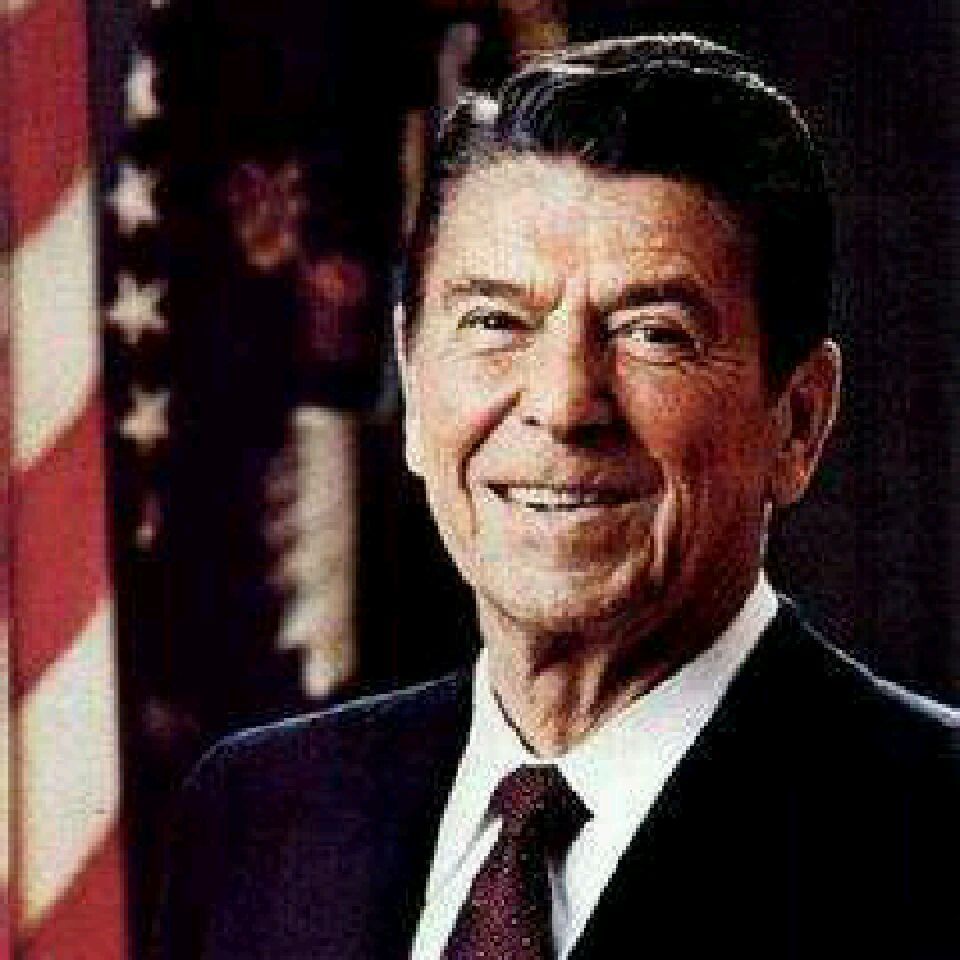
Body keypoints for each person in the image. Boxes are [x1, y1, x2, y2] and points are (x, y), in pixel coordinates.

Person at [153, 35, 958, 960]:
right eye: (496, 322)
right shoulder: (260, 817)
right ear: (413, 380)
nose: (565, 403)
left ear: (798, 422)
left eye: (654, 333)